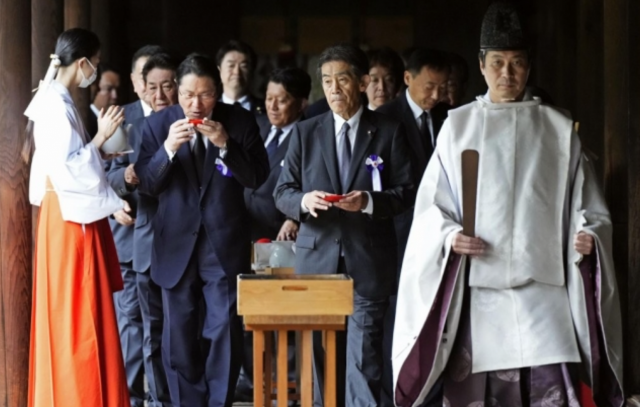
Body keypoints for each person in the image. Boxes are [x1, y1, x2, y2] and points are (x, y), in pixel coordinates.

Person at [392, 3, 624, 407]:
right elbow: (431, 207)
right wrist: (448, 237)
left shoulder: (558, 128)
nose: (507, 74)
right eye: (497, 62)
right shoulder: (458, 127)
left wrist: (587, 233)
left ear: (529, 67)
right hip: (480, 291)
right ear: (481, 66)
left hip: (545, 291)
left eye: (516, 63)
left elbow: (586, 206)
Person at [274, 43, 413, 407]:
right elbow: (283, 191)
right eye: (326, 81)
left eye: (342, 79)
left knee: (364, 359)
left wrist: (366, 202)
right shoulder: (306, 131)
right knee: (319, 358)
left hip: (368, 259)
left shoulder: (389, 130)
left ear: (363, 82)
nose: (333, 89)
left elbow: (406, 193)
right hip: (317, 261)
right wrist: (305, 201)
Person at [135, 53, 269, 407]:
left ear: (219, 91)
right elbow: (147, 185)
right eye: (188, 95)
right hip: (175, 244)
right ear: (177, 92)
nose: (196, 104)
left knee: (223, 331)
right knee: (177, 337)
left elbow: (257, 177)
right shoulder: (156, 125)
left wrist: (226, 144)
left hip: (222, 244)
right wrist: (167, 149)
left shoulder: (239, 122)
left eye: (206, 95)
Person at [24, 27, 130, 407]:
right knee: (78, 313)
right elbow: (68, 169)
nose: (95, 72)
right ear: (83, 62)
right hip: (70, 219)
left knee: (72, 311)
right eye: (95, 65)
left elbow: (69, 164)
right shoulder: (55, 103)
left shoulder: (56, 99)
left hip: (66, 212)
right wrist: (100, 139)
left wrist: (100, 151)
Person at [376, 47, 451, 407]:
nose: (435, 95)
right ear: (408, 78)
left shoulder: (451, 118)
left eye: (442, 87)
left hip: (443, 235)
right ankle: (398, 394)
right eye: (429, 86)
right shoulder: (385, 118)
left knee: (438, 315)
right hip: (398, 234)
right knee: (398, 318)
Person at [107, 52, 178, 407]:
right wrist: (122, 185)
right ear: (139, 84)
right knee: (134, 324)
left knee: (171, 325)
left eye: (166, 85)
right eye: (150, 84)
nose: (158, 93)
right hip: (133, 234)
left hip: (179, 237)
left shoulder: (184, 120)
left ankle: (165, 397)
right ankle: (133, 397)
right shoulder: (126, 120)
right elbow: (104, 176)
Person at [216, 40, 265, 116]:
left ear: (252, 71)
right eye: (231, 66)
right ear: (219, 70)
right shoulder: (210, 110)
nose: (237, 72)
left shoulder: (267, 110)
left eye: (243, 66)